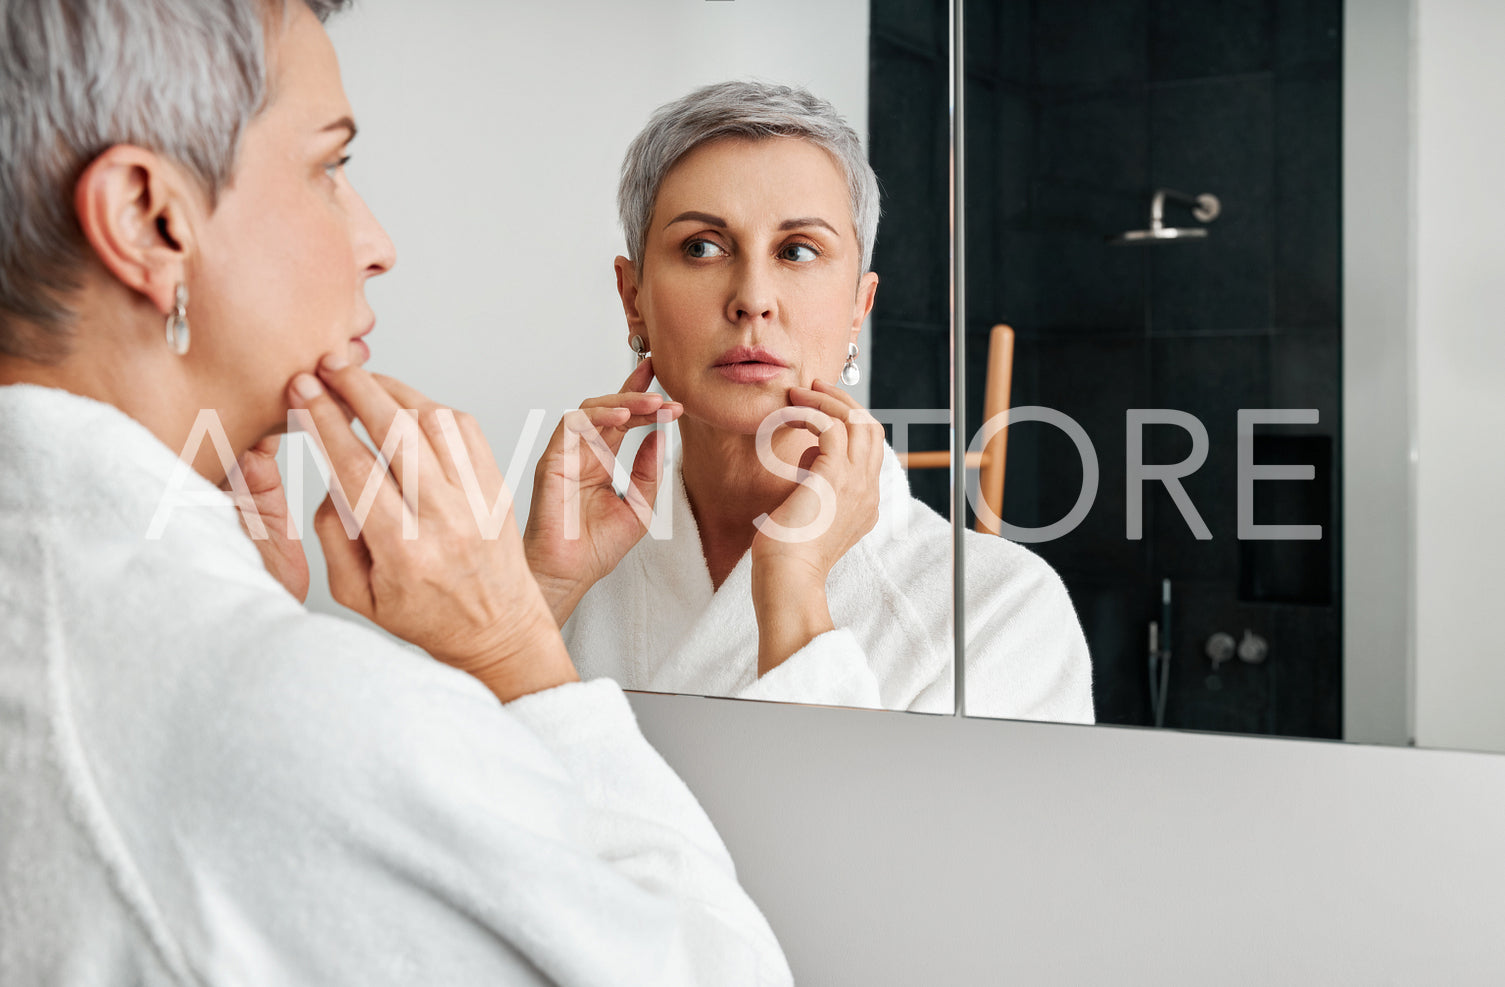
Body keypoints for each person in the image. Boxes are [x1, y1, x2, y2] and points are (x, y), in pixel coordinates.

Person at [0, 3, 790, 983]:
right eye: (329, 168)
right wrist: (514, 649)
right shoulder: (290, 718)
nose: (377, 242)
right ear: (146, 219)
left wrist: (251, 618)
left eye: (798, 250)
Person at [523, 81, 1094, 721]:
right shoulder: (571, 575)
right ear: (635, 299)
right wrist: (541, 591)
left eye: (798, 251)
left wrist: (792, 584)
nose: (752, 298)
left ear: (859, 307)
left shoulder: (997, 610)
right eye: (702, 247)